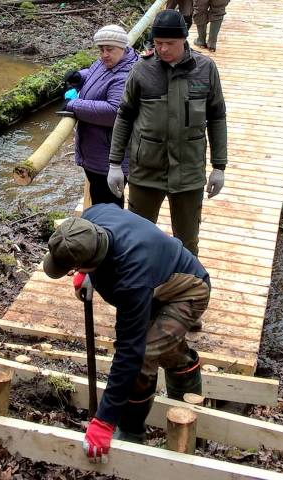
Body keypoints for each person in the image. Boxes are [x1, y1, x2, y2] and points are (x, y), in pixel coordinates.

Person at [43, 203, 210, 462]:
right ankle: (179, 382)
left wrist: (105, 419)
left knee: (145, 353)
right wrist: (88, 276)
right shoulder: (91, 218)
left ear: (89, 263)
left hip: (188, 290)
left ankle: (132, 430)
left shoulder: (130, 279)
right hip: (155, 281)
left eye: (74, 270)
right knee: (159, 345)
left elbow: (129, 352)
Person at [106, 9, 227, 256]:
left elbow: (217, 117)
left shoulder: (205, 69)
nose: (162, 49)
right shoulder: (142, 70)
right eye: (158, 43)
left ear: (184, 39)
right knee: (137, 240)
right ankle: (139, 289)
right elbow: (125, 115)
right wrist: (115, 164)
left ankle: (188, 289)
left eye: (169, 43)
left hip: (189, 173)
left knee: (188, 243)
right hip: (145, 172)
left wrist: (219, 167)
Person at [59, 25, 138, 208]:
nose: (104, 54)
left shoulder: (126, 74)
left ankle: (108, 236)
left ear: (123, 47)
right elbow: (97, 72)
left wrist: (73, 105)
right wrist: (80, 77)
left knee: (108, 207)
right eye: (101, 49)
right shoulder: (110, 62)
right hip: (98, 153)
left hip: (109, 157)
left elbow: (114, 112)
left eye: (109, 49)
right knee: (99, 200)